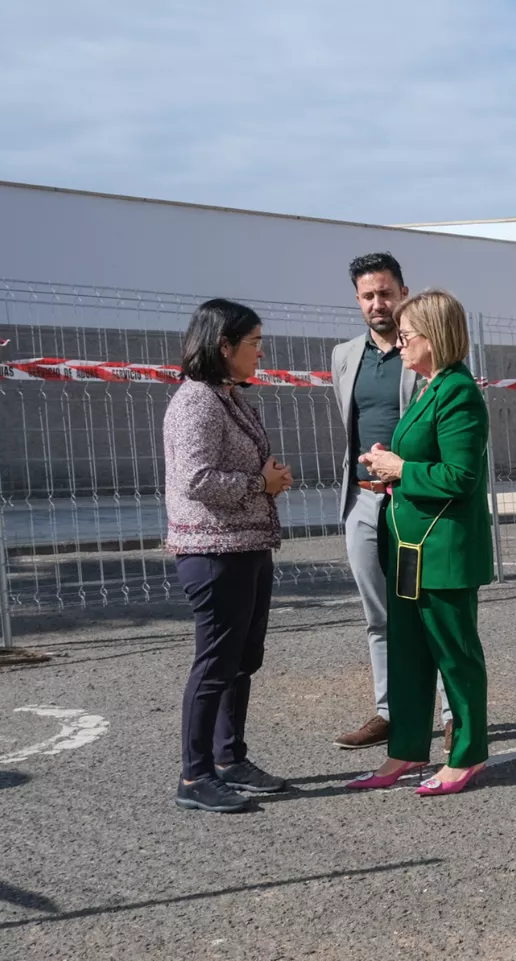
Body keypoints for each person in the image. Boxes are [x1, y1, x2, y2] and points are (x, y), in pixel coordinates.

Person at [347, 290, 495, 796]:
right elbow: (422, 460)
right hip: (409, 544)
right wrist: (389, 464)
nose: (401, 340)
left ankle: (468, 754)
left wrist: (401, 468)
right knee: (408, 652)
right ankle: (406, 748)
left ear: (437, 337)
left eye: (409, 334)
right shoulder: (429, 387)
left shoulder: (458, 391)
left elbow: (461, 476)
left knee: (455, 655)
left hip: (443, 549)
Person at [162, 299, 293, 812]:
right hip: (213, 551)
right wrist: (260, 483)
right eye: (255, 343)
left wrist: (264, 482)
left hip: (247, 545)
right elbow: (194, 480)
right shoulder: (196, 401)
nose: (261, 352)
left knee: (243, 660)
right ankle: (194, 778)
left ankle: (229, 758)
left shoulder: (228, 397)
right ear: (224, 345)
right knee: (215, 664)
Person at [329, 253, 451, 752]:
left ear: (403, 292)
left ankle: (450, 713)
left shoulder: (427, 354)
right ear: (357, 300)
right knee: (377, 615)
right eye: (367, 295)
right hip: (361, 502)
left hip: (412, 506)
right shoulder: (343, 356)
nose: (377, 303)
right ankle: (390, 711)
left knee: (424, 610)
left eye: (385, 292)